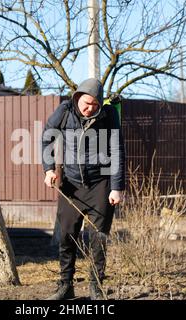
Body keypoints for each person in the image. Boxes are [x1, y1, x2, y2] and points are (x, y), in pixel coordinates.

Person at [41, 78, 126, 300]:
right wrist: (49, 169)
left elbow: (117, 150)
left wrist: (117, 187)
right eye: (87, 103)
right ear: (78, 97)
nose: (90, 109)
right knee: (67, 236)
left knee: (99, 237)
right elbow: (48, 135)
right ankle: (65, 285)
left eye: (95, 105)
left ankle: (96, 286)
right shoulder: (65, 110)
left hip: (101, 184)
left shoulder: (109, 115)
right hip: (71, 184)